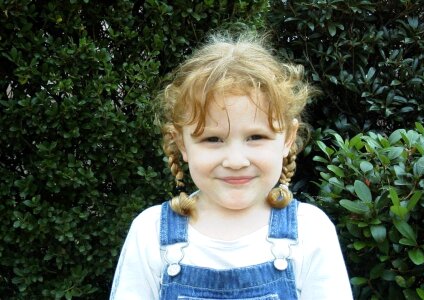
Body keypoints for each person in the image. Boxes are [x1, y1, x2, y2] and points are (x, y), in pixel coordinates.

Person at [110, 31, 353, 299]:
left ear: (288, 138)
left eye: (256, 137)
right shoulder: (151, 235)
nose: (236, 161)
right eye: (212, 139)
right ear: (181, 144)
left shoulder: (311, 233)